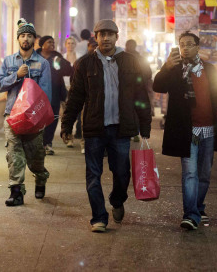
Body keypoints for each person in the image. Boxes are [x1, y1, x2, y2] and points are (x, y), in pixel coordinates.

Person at [61, 19, 152, 233]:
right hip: (94, 129)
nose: (106, 38)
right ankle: (98, 217)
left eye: (110, 34)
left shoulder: (130, 62)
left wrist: (145, 126)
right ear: (96, 37)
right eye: (101, 34)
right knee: (93, 174)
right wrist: (67, 125)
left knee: (122, 173)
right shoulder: (84, 64)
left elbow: (141, 96)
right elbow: (75, 98)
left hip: (121, 129)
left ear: (116, 36)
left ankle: (117, 200)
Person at [153, 31, 217, 230]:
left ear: (197, 47)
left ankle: (198, 206)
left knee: (204, 174)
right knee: (190, 173)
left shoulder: (210, 70)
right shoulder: (174, 70)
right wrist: (166, 66)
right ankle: (190, 214)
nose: (185, 47)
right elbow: (157, 85)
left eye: (189, 44)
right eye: (182, 44)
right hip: (187, 132)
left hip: (209, 131)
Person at [0, 19, 52, 206]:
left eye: (29, 35)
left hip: (33, 119)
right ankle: (16, 191)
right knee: (14, 153)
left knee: (35, 157)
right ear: (18, 39)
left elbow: (45, 95)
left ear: (34, 40)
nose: (25, 39)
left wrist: (41, 119)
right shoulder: (9, 61)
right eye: (22, 36)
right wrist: (16, 76)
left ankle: (41, 177)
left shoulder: (42, 64)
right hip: (12, 115)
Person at [38, 35, 74, 153]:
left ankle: (47, 143)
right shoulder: (34, 57)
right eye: (49, 42)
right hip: (37, 96)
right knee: (38, 119)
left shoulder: (56, 58)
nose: (52, 44)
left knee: (52, 119)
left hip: (54, 94)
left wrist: (60, 64)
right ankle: (38, 143)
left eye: (53, 43)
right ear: (42, 44)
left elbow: (68, 70)